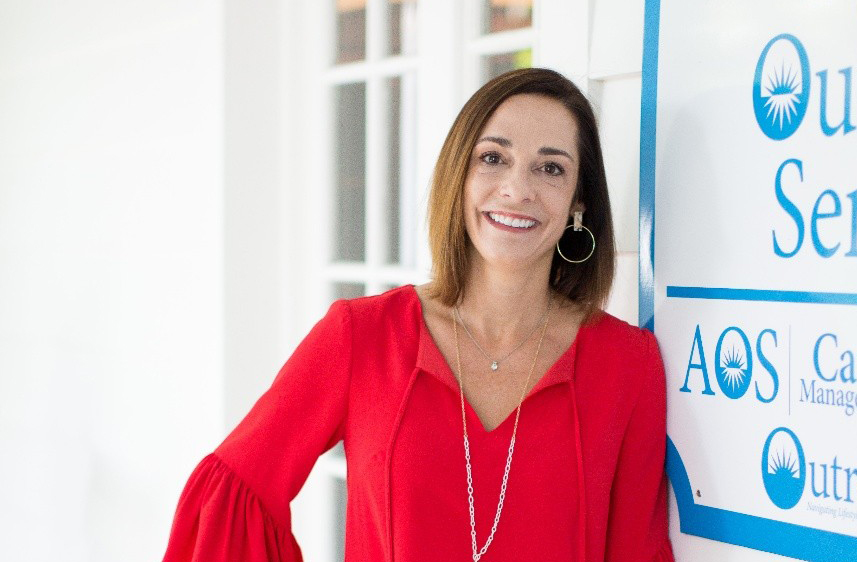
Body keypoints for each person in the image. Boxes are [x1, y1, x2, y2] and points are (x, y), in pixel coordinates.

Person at [162, 67, 675, 562]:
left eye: (550, 167)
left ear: (578, 202)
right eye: (493, 158)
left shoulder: (629, 365)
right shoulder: (359, 337)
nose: (518, 189)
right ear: (460, 174)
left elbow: (637, 551)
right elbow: (236, 492)